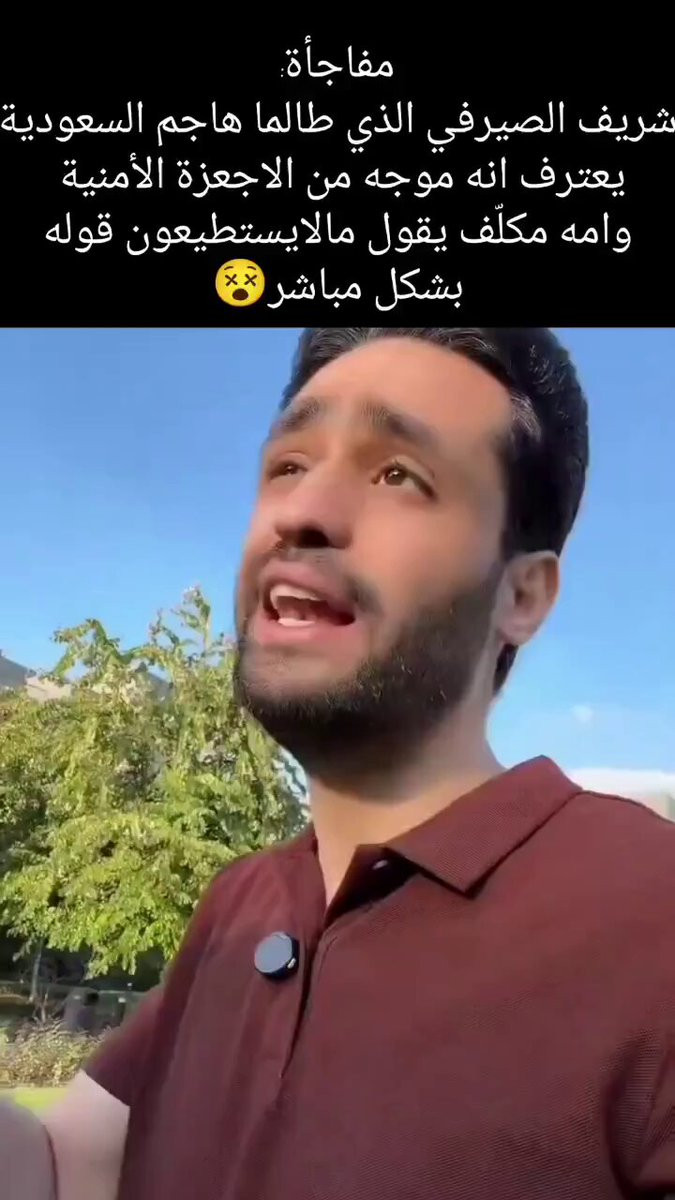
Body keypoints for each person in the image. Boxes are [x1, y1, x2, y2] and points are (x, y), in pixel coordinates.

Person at [8, 327, 675, 1198]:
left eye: (398, 474)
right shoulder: (238, 906)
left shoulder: (649, 909)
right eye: (287, 465)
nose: (301, 512)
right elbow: (62, 1170)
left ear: (522, 594)